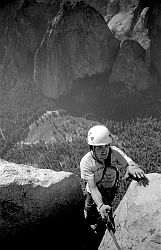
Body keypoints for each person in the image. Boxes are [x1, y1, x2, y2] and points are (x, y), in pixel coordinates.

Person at [80, 125, 147, 248]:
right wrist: (100, 205)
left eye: (106, 146)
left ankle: (105, 217)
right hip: (94, 189)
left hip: (110, 187)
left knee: (108, 205)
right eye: (99, 147)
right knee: (90, 207)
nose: (104, 150)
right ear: (92, 147)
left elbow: (130, 163)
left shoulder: (115, 153)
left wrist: (132, 168)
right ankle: (91, 223)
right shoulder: (86, 162)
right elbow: (93, 188)